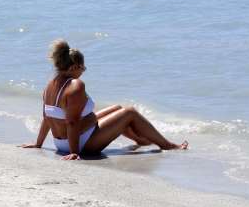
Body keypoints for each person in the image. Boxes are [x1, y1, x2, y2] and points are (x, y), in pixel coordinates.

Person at [20, 40, 187, 160]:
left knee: (117, 108)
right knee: (129, 112)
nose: (84, 71)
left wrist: (38, 143)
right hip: (81, 144)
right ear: (73, 68)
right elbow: (72, 122)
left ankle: (141, 140)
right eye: (82, 68)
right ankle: (167, 145)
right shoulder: (75, 85)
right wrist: (75, 152)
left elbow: (47, 118)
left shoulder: (50, 85)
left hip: (61, 142)